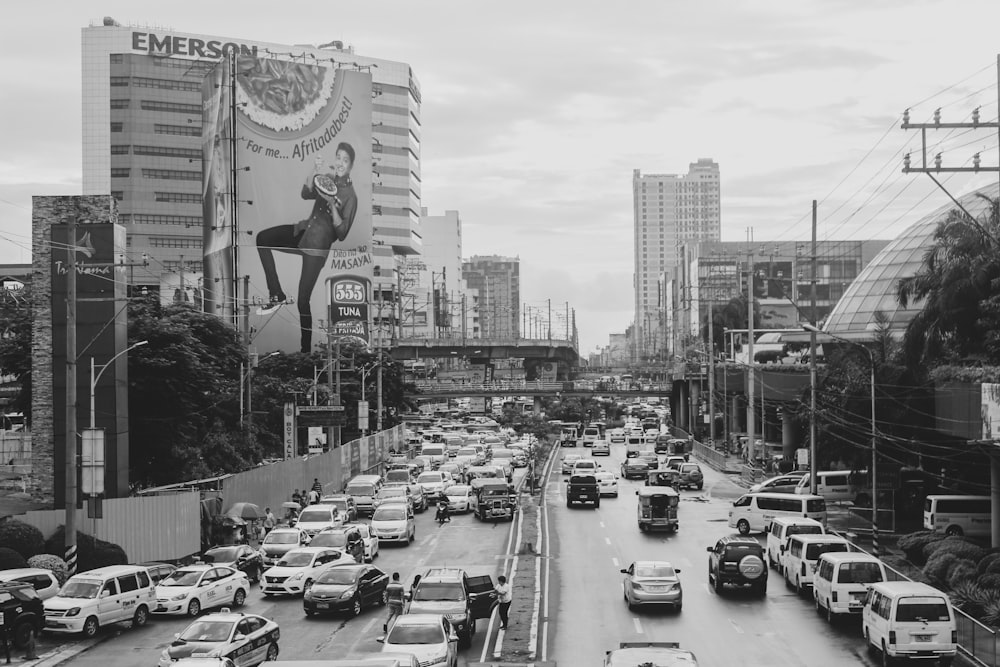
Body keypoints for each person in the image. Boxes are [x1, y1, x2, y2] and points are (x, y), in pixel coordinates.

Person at [256, 143, 359, 353]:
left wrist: (332, 205)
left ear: (351, 165)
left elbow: (342, 234)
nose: (340, 162)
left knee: (303, 301)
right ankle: (276, 293)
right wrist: (314, 168)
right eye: (338, 157)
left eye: (345, 160)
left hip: (317, 248)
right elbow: (305, 193)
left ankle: (305, 352)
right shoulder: (327, 179)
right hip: (302, 232)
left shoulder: (351, 197)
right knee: (262, 238)